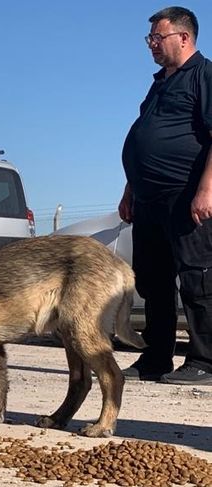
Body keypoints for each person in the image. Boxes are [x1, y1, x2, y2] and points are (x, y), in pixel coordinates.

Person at [120, 6, 212, 385]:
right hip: (148, 201)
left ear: (184, 38)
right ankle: (156, 358)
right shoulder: (159, 82)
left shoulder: (204, 75)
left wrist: (206, 189)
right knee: (153, 280)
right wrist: (129, 188)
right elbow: (145, 136)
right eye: (150, 39)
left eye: (158, 38)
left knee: (198, 280)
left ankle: (205, 362)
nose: (152, 46)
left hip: (186, 197)